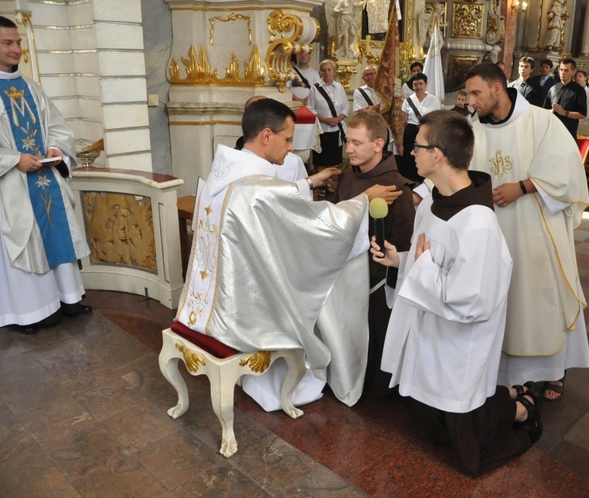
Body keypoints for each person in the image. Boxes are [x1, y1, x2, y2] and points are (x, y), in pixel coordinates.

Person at [176, 98, 401, 412]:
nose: (291, 148)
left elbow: (270, 202)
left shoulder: (225, 171)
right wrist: (364, 199)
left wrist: (309, 181)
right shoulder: (257, 186)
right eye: (288, 139)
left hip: (211, 302)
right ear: (267, 136)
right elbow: (313, 226)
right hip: (241, 316)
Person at [371, 109, 542, 476]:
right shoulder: (434, 202)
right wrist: (400, 261)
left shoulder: (478, 224)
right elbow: (426, 259)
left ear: (438, 154)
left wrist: (424, 268)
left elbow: (471, 302)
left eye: (416, 146)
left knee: (464, 438)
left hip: (457, 345)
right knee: (430, 418)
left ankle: (523, 409)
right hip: (428, 335)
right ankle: (508, 395)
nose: (410, 153)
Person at [465, 63, 589, 402]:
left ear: (496, 89)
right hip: (493, 230)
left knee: (541, 299)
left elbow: (565, 168)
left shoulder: (541, 121)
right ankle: (509, 375)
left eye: (476, 93)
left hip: (535, 228)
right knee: (506, 299)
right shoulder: (474, 128)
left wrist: (521, 187)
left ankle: (555, 370)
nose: (470, 101)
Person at [0, 15, 92, 335]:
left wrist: (55, 149)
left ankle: (67, 298)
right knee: (23, 240)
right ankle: (32, 310)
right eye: (7, 42)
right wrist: (12, 160)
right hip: (10, 186)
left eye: (18, 42)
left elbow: (58, 128)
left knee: (56, 233)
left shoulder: (32, 88)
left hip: (45, 179)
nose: (16, 49)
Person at [331, 110, 415, 398]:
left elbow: (402, 242)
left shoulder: (396, 187)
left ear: (378, 144)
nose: (349, 149)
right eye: (347, 141)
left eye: (356, 143)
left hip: (375, 284)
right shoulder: (347, 178)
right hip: (342, 277)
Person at [400, 73, 442, 182]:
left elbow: (437, 121)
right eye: (415, 84)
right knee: (410, 159)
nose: (418, 87)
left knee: (425, 157)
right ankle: (410, 183)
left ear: (426, 84)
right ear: (412, 86)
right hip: (410, 134)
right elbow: (403, 123)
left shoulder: (434, 100)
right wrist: (400, 144)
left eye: (420, 84)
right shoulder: (407, 101)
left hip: (426, 133)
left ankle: (425, 183)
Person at [308, 59, 349, 170]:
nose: (326, 73)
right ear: (320, 72)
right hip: (321, 130)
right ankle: (322, 184)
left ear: (334, 71)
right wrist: (324, 119)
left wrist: (338, 119)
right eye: (323, 70)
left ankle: (331, 185)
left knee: (334, 161)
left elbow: (345, 106)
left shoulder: (339, 87)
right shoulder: (315, 89)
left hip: (336, 130)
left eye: (329, 70)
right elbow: (310, 108)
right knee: (321, 160)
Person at [543, 58, 587, 139]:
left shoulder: (579, 90)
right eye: (561, 70)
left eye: (566, 70)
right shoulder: (553, 88)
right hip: (551, 132)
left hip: (568, 133)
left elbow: (583, 115)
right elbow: (544, 110)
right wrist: (551, 111)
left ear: (573, 72)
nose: (563, 73)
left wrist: (564, 113)